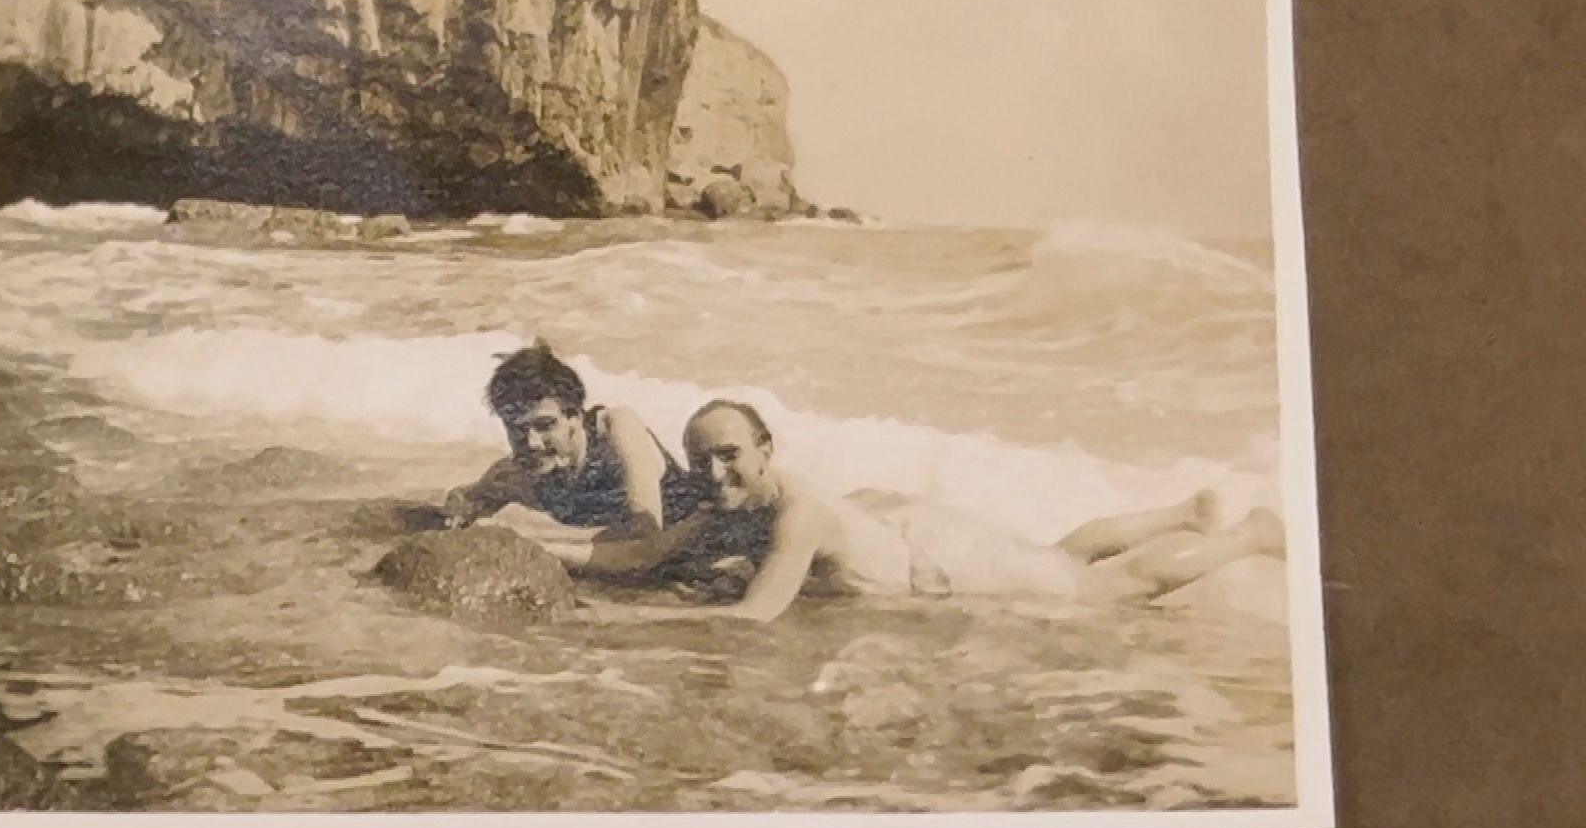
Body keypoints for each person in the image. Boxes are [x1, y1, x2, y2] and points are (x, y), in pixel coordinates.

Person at [573, 399, 1280, 624]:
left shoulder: (798, 517)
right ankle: (1181, 513)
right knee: (1057, 553)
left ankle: (1250, 534)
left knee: (1096, 588)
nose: (712, 472)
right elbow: (641, 555)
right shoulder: (732, 503)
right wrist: (545, 553)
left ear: (765, 450)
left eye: (728, 455)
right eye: (701, 460)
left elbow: (754, 620)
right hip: (901, 528)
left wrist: (626, 623)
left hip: (937, 561)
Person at [439, 343, 705, 568]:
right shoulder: (516, 471)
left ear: (574, 417)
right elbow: (463, 500)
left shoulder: (616, 430)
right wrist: (462, 509)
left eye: (545, 426)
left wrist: (531, 541)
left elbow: (645, 535)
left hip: (699, 553)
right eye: (516, 429)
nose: (531, 443)